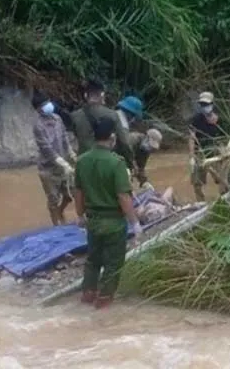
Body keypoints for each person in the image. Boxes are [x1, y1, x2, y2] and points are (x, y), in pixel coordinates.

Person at [74, 116, 143, 309]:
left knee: (93, 260)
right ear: (112, 137)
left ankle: (88, 294)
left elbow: (78, 192)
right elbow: (123, 197)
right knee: (113, 263)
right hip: (113, 222)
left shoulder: (82, 161)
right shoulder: (116, 163)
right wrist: (135, 223)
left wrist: (80, 215)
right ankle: (104, 302)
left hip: (93, 221)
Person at [69, 79, 134, 170]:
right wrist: (130, 163)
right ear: (102, 95)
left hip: (84, 164)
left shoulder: (74, 116)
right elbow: (124, 142)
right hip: (106, 163)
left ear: (85, 95)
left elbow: (73, 141)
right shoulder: (112, 115)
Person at [32, 91, 76, 226]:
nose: (49, 105)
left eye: (48, 102)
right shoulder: (38, 126)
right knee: (53, 199)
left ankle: (60, 211)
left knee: (69, 196)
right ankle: (56, 226)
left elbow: (64, 138)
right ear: (39, 109)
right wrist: (61, 162)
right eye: (45, 104)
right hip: (48, 169)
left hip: (63, 165)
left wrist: (71, 154)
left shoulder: (57, 119)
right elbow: (46, 148)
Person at [188, 91, 225, 200]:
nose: (204, 107)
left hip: (214, 151)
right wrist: (191, 156)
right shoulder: (196, 119)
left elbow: (223, 138)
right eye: (202, 105)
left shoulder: (220, 120)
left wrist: (224, 151)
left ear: (212, 104)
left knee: (221, 177)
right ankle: (200, 202)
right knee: (197, 180)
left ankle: (223, 198)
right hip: (200, 151)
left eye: (207, 104)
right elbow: (191, 137)